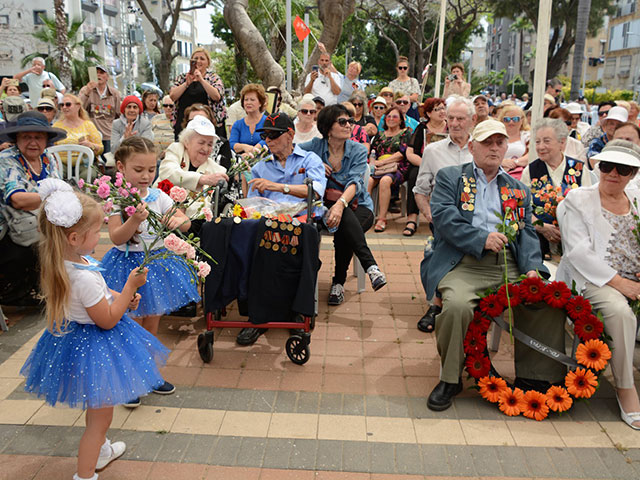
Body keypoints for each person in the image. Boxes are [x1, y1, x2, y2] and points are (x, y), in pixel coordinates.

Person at [18, 179, 167, 480]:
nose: (99, 236)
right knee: (98, 420)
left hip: (81, 342)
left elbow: (102, 293)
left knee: (100, 411)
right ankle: (85, 474)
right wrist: (129, 289)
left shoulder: (71, 261)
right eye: (94, 232)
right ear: (73, 237)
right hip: (95, 346)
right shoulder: (80, 276)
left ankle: (101, 451)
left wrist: (119, 296)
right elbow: (107, 319)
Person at [426, 119, 566, 411]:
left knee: (546, 299)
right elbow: (444, 219)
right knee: (458, 306)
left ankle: (538, 379)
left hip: (508, 264)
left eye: (499, 142)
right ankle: (450, 378)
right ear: (472, 146)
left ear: (506, 147)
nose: (494, 147)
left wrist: (531, 268)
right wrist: (481, 238)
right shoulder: (452, 177)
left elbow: (526, 232)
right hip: (464, 262)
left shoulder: (517, 188)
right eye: (487, 142)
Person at [101, 137, 198, 406]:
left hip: (155, 266)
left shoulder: (158, 196)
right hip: (125, 268)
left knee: (152, 324)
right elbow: (117, 237)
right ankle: (129, 380)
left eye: (151, 170)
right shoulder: (116, 198)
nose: (146, 176)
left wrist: (176, 220)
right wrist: (134, 218)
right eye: (139, 170)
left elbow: (186, 222)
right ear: (121, 167)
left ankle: (149, 373)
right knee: (129, 324)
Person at [556, 140, 640, 429]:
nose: (613, 174)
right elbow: (577, 253)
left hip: (634, 277)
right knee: (619, 311)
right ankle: (625, 387)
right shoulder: (579, 198)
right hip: (593, 278)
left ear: (633, 174)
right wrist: (621, 284)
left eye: (624, 169)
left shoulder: (637, 200)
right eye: (607, 166)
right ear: (597, 166)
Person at [237, 112, 326, 346]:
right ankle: (258, 317)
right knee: (254, 239)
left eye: (274, 135)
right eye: (265, 135)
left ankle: (299, 313)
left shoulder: (309, 160)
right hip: (268, 223)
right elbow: (252, 203)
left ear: (290, 135)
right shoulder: (260, 166)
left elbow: (315, 192)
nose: (268, 140)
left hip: (301, 221)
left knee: (300, 239)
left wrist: (278, 187)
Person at [300, 104, 387, 304]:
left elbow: (354, 183)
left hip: (359, 206)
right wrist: (312, 161)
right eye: (342, 121)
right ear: (328, 127)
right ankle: (369, 267)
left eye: (351, 121)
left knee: (343, 220)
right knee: (341, 220)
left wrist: (339, 204)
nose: (349, 125)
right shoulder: (315, 146)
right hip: (323, 208)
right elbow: (293, 151)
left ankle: (339, 283)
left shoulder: (356, 149)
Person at [413, 97, 475, 333]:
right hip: (443, 219)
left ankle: (460, 301)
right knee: (440, 245)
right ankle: (436, 303)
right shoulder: (432, 151)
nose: (455, 123)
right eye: (451, 118)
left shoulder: (480, 149)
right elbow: (420, 190)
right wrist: (430, 215)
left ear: (472, 120)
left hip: (474, 220)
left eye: (461, 118)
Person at [0, 111, 65, 305]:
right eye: (26, 137)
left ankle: (50, 286)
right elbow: (18, 200)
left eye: (38, 137)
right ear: (16, 139)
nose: (33, 142)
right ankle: (17, 291)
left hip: (35, 221)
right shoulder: (6, 160)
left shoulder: (48, 159)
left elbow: (58, 189)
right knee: (51, 237)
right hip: (8, 230)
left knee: (72, 232)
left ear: (46, 140)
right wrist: (54, 196)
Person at [520, 118, 591, 258]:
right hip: (540, 239)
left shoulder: (578, 169)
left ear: (562, 142)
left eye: (546, 141)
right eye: (538, 141)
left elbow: (589, 206)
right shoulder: (530, 171)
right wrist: (541, 227)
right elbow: (522, 208)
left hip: (575, 238)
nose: (540, 147)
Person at [156, 116, 228, 221]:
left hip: (194, 224)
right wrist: (202, 179)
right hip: (162, 214)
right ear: (186, 142)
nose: (206, 148)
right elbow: (167, 172)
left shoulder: (218, 171)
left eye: (210, 144)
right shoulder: (176, 149)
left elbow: (209, 207)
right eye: (201, 142)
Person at [404, 97, 448, 237]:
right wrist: (426, 163)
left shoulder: (450, 127)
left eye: (443, 108)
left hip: (447, 164)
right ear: (428, 113)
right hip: (423, 164)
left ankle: (444, 217)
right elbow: (410, 152)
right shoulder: (421, 128)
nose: (442, 112)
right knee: (414, 176)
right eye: (437, 109)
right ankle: (411, 219)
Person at [367, 105, 412, 232]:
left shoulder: (405, 133)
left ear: (400, 120)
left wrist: (383, 162)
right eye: (389, 116)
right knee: (368, 181)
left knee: (385, 181)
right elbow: (372, 151)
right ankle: (367, 215)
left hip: (397, 167)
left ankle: (382, 218)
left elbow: (401, 154)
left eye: (395, 116)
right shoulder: (380, 135)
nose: (391, 119)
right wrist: (374, 162)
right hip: (379, 166)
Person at [170, 47, 227, 138]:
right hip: (185, 123)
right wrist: (186, 84)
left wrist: (201, 80)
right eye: (195, 58)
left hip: (209, 122)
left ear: (208, 63)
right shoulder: (182, 78)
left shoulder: (213, 78)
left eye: (202, 59)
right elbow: (172, 96)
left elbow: (216, 96)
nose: (198, 61)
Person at [52, 94, 104, 173]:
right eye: (62, 105)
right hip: (61, 164)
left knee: (88, 175)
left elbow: (100, 148)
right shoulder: (56, 126)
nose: (64, 107)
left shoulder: (88, 125)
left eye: (68, 104)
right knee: (57, 174)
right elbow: (49, 147)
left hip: (84, 164)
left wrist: (90, 145)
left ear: (78, 106)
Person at [78, 65, 121, 154]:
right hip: (90, 136)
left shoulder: (114, 93)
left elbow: (118, 115)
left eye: (102, 73)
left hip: (108, 136)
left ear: (107, 77)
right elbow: (78, 109)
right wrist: (87, 92)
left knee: (109, 164)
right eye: (96, 73)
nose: (98, 75)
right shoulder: (85, 90)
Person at [229, 83, 268, 155]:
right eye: (246, 100)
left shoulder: (268, 122)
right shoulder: (238, 124)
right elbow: (232, 144)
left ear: (260, 103)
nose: (248, 103)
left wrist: (254, 150)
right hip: (243, 162)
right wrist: (244, 147)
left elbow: (269, 139)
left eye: (252, 100)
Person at [497, 104, 530, 179]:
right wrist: (501, 162)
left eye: (515, 119)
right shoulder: (496, 136)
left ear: (522, 120)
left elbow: (531, 155)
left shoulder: (527, 136)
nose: (511, 122)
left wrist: (514, 163)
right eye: (507, 119)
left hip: (521, 176)